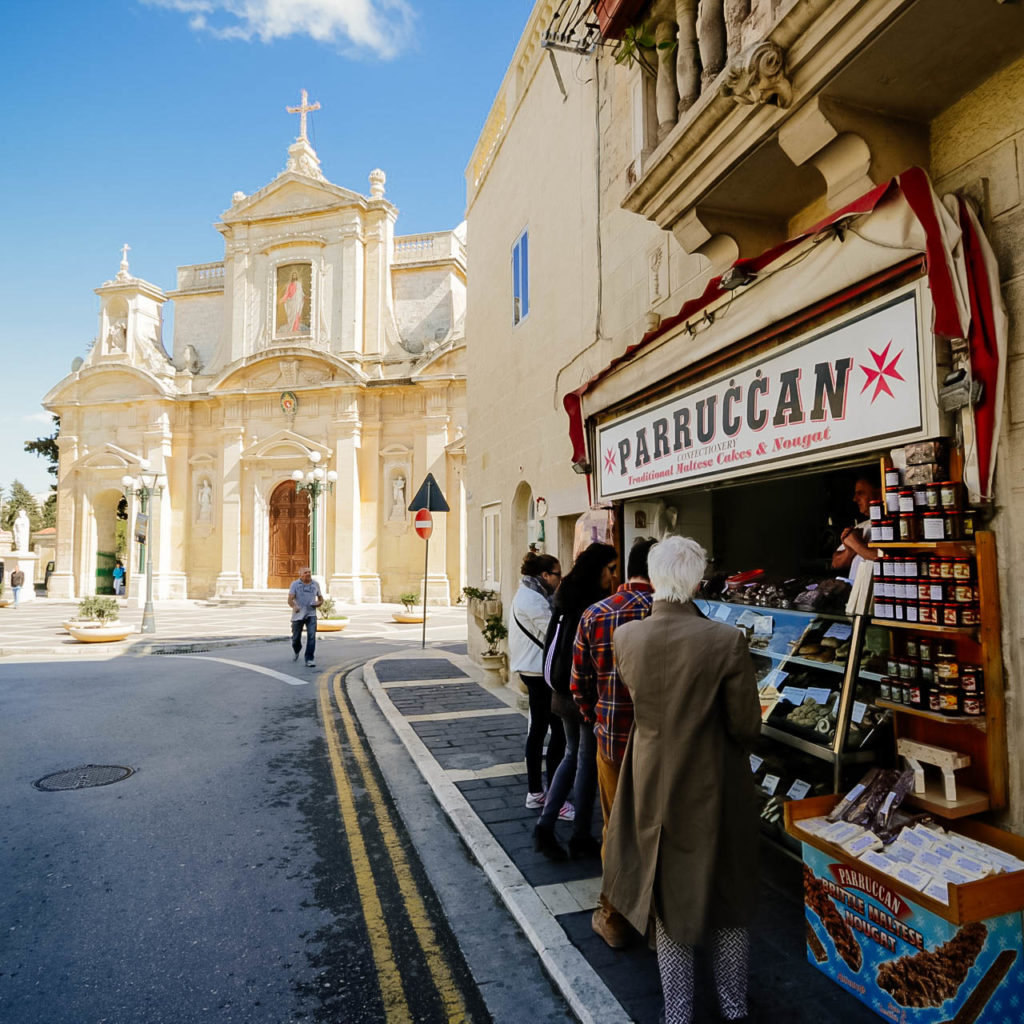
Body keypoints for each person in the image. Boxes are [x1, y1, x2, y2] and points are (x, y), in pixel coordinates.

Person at [603, 536, 760, 1024]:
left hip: (649, 779)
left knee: (668, 901)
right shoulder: (725, 640)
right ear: (697, 579)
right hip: (714, 783)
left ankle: (678, 1012)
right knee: (726, 896)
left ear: (653, 576)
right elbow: (746, 725)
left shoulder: (627, 637)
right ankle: (733, 1007)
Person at [571, 536, 656, 948]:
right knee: (657, 830)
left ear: (626, 569)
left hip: (614, 743)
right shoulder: (671, 614)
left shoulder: (596, 614)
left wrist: (597, 719)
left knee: (614, 830)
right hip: (662, 749)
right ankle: (658, 920)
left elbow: (579, 685)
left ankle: (615, 918)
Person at [534, 542, 618, 862]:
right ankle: (581, 835)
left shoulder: (565, 593)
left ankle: (545, 826)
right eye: (610, 569)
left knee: (572, 754)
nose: (613, 576)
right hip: (581, 689)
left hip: (560, 688)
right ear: (598, 569)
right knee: (585, 759)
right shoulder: (592, 603)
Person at [509, 551, 565, 809]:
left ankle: (536, 792)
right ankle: (551, 795)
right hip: (538, 671)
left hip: (533, 669)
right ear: (545, 575)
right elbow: (553, 632)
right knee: (557, 733)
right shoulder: (534, 600)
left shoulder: (530, 594)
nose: (560, 579)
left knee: (541, 729)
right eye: (557, 574)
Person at [831, 476, 881, 578]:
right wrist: (849, 551)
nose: (855, 499)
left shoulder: (893, 526)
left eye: (861, 493)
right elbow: (835, 563)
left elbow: (889, 558)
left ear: (879, 494)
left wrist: (856, 544)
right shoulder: (861, 527)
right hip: (856, 592)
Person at [288, 567, 323, 667]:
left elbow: (321, 599)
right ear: (300, 575)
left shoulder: (315, 584)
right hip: (298, 615)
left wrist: (318, 603)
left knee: (311, 637)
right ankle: (297, 649)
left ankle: (309, 659)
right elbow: (290, 599)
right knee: (296, 638)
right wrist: (294, 606)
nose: (308, 574)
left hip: (311, 614)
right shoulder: (295, 584)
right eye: (305, 572)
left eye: (309, 572)